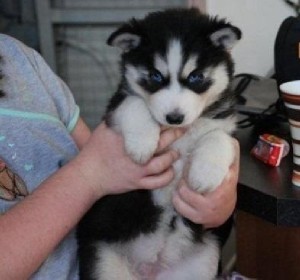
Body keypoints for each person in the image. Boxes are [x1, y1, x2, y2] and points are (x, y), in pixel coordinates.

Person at [0, 33, 239, 280]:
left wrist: (219, 198)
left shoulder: (21, 60)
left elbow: (106, 155)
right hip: (110, 256)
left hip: (164, 247)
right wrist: (89, 176)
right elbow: (96, 166)